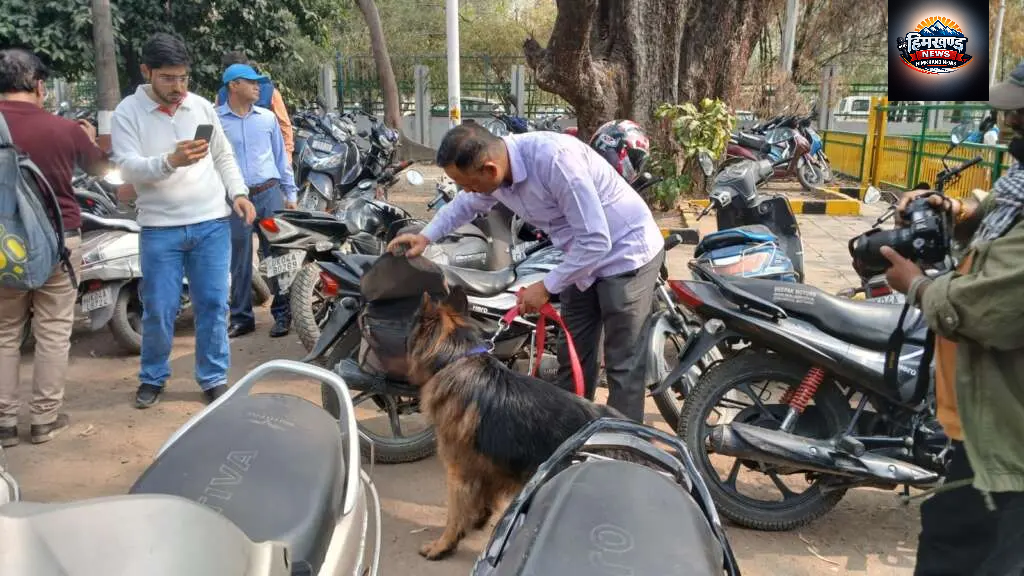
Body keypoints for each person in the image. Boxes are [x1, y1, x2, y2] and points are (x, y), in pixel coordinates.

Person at [387, 123, 664, 422]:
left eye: (468, 183)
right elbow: (465, 205)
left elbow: (596, 240)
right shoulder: (495, 174)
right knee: (573, 358)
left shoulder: (556, 162)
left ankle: (624, 454)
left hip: (626, 254)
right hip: (578, 258)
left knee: (622, 364)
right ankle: (573, 436)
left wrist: (546, 286)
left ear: (490, 170)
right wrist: (426, 236)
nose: (467, 191)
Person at [882, 63, 1024, 576]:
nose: (1008, 124)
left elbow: (986, 309)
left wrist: (916, 285)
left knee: (968, 554)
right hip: (985, 427)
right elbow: (999, 219)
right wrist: (956, 209)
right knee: (949, 540)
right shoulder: (1019, 183)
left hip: (1008, 445)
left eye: (1019, 114)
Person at [110, 32, 256, 409]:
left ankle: (213, 377)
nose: (178, 88)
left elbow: (222, 155)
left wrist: (238, 193)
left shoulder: (201, 107)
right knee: (160, 308)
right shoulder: (129, 112)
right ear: (147, 71)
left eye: (183, 78)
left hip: (211, 224)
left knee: (213, 304)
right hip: (160, 228)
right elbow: (126, 166)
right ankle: (153, 377)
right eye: (168, 78)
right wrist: (169, 161)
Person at [0, 49, 109, 446]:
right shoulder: (63, 130)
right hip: (59, 241)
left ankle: (5, 424)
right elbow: (102, 170)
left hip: (3, 247)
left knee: (5, 333)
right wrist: (90, 139)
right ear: (39, 85)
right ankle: (44, 419)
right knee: (53, 331)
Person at [218, 63, 298, 338]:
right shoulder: (215, 122)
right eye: (250, 82)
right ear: (233, 86)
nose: (258, 87)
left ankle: (283, 313)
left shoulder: (267, 118)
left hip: (268, 193)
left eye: (258, 82)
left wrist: (290, 193)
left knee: (277, 255)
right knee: (238, 259)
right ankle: (241, 317)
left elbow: (280, 158)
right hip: (235, 200)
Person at [216, 51, 294, 157]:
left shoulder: (270, 92)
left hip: (265, 156)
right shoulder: (222, 95)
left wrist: (287, 155)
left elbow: (284, 125)